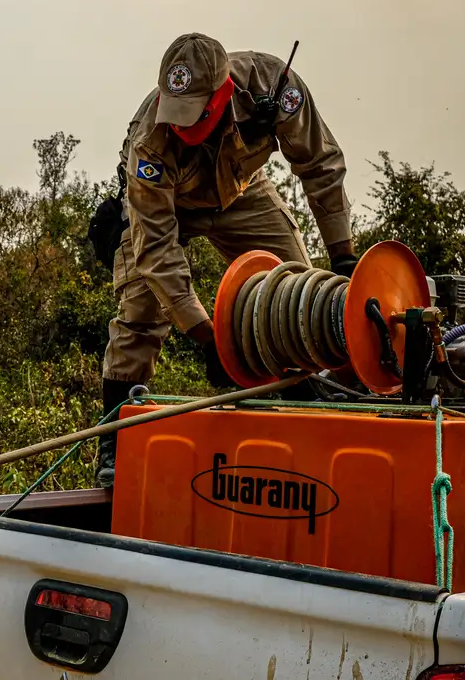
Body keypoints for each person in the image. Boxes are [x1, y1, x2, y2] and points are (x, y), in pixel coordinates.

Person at [91, 33, 359, 488]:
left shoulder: (273, 85)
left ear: (222, 95)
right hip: (170, 204)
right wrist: (205, 334)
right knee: (139, 310)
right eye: (174, 111)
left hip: (241, 192)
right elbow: (156, 247)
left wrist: (344, 256)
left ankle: (307, 410)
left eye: (194, 112)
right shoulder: (150, 142)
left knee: (294, 294)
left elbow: (320, 165)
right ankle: (115, 439)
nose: (180, 125)